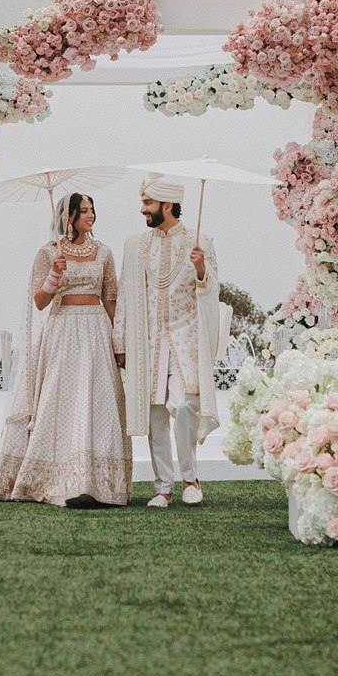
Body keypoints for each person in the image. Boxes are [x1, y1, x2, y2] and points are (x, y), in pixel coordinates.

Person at [0, 192, 132, 506]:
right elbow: (39, 302)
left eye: (93, 210)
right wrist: (54, 275)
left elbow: (111, 299)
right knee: (60, 400)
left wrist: (119, 343)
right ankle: (59, 480)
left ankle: (97, 484)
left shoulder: (104, 253)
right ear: (69, 217)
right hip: (62, 329)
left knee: (99, 399)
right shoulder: (48, 253)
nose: (91, 216)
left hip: (96, 331)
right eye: (84, 211)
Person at [117, 175, 221, 508]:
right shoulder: (136, 244)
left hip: (185, 337)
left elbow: (210, 290)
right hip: (147, 340)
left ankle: (191, 478)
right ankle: (163, 487)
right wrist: (120, 341)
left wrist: (202, 268)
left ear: (167, 205)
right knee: (155, 412)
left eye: (147, 203)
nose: (142, 210)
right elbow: (124, 294)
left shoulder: (199, 240)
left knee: (187, 403)